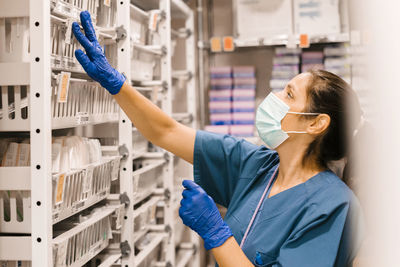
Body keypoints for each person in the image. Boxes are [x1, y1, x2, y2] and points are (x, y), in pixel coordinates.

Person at [72, 11, 364, 267]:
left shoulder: (332, 206)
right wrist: (116, 83)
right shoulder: (256, 165)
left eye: (288, 94)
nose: (274, 98)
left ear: (316, 123)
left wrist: (216, 233)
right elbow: (166, 131)